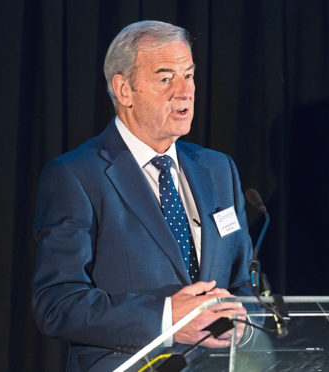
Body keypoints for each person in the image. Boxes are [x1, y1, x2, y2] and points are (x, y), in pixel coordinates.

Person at [31, 20, 254, 371]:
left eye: (189, 75)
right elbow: (57, 304)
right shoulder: (76, 176)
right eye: (166, 78)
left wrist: (239, 320)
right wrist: (168, 320)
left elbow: (244, 283)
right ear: (124, 90)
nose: (184, 91)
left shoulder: (218, 169)